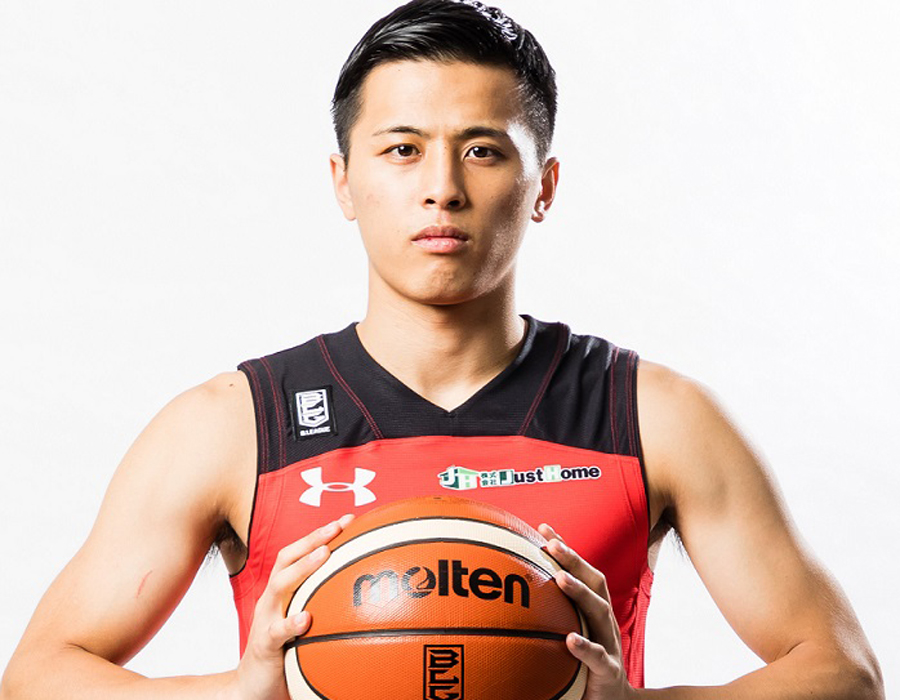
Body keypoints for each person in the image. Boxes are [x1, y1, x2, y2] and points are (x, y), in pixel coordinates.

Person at [0, 1, 884, 698]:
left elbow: (844, 673)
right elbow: (38, 675)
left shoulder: (651, 415)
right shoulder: (233, 425)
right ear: (344, 182)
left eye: (484, 150)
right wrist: (241, 693)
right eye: (402, 149)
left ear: (544, 186)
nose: (442, 188)